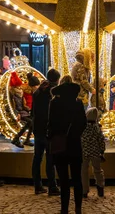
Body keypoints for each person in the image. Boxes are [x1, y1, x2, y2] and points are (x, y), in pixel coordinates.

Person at [48, 77, 87, 214]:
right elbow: (83, 123)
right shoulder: (78, 104)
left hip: (60, 144)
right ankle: (78, 208)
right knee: (77, 178)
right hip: (75, 144)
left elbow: (50, 124)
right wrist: (75, 135)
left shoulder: (54, 103)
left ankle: (64, 208)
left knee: (63, 180)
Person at [32, 68, 60, 196]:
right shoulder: (52, 92)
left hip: (38, 128)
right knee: (50, 158)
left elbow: (34, 111)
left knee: (37, 158)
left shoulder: (38, 91)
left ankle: (37, 185)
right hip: (48, 129)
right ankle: (52, 186)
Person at [81, 107, 106, 198]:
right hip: (95, 152)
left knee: (84, 171)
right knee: (98, 170)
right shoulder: (96, 128)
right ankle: (100, 186)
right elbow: (101, 140)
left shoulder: (83, 127)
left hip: (84, 152)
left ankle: (84, 190)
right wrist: (102, 150)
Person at [10, 72, 33, 148]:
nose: (20, 87)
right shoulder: (13, 95)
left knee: (32, 122)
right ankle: (17, 138)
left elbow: (23, 105)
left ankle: (24, 139)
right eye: (18, 86)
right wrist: (17, 114)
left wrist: (28, 108)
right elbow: (13, 106)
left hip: (23, 111)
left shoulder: (20, 94)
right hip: (18, 112)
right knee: (30, 122)